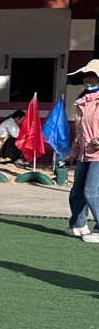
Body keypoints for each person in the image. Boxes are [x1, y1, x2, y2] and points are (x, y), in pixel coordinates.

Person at [65, 60, 99, 242]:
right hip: (84, 154)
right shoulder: (81, 101)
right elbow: (79, 133)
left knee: (92, 192)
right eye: (86, 76)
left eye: (92, 75)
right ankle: (78, 225)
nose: (87, 79)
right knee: (77, 191)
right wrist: (73, 154)